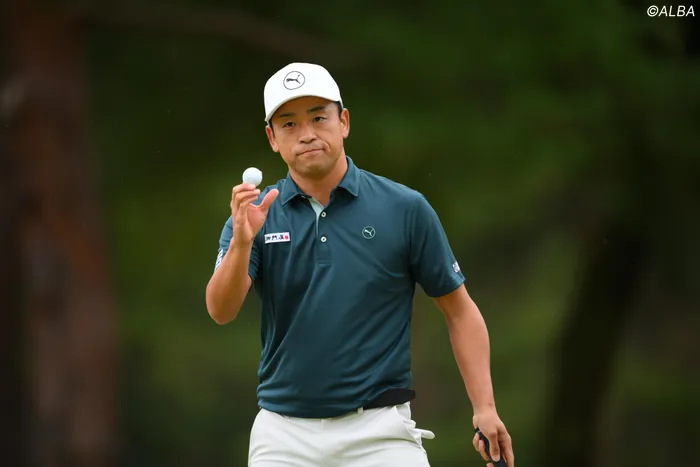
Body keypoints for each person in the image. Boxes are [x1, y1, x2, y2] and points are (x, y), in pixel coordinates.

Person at [205, 62, 514, 467]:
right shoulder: (253, 217)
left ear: (344, 122)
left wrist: (485, 408)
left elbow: (459, 311)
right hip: (283, 435)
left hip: (380, 433)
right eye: (289, 124)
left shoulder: (404, 208)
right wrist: (243, 243)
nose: (307, 134)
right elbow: (221, 310)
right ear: (273, 138)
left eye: (319, 118)